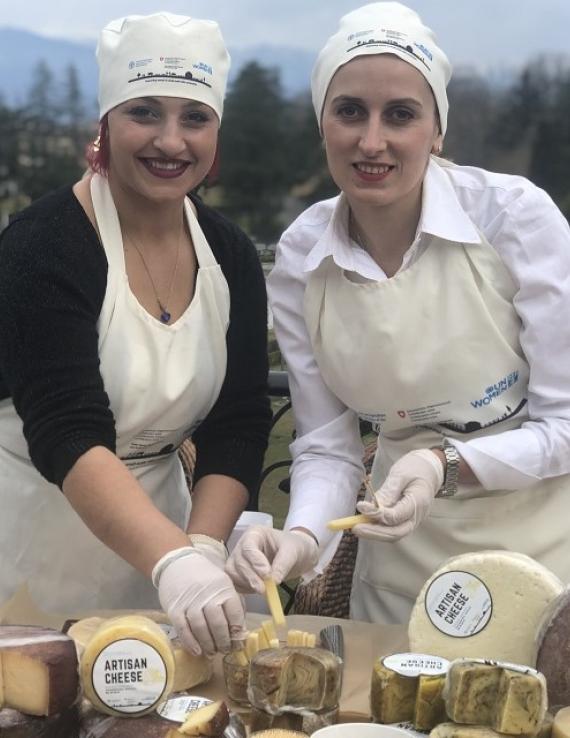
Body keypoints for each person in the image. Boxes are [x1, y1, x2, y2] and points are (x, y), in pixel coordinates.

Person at [225, 1, 570, 623]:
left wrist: (444, 464)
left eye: (401, 115)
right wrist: (301, 539)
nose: (372, 140)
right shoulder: (303, 256)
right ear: (321, 124)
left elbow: (565, 425)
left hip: (542, 553)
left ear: (437, 132)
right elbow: (328, 447)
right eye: (349, 110)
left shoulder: (513, 219)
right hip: (398, 563)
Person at [0, 12, 271, 655]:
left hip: (156, 562)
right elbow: (67, 430)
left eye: (194, 117)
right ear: (106, 124)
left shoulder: (228, 253)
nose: (171, 142)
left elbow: (238, 420)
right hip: (28, 547)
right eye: (145, 112)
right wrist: (175, 562)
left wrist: (201, 546)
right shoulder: (42, 247)